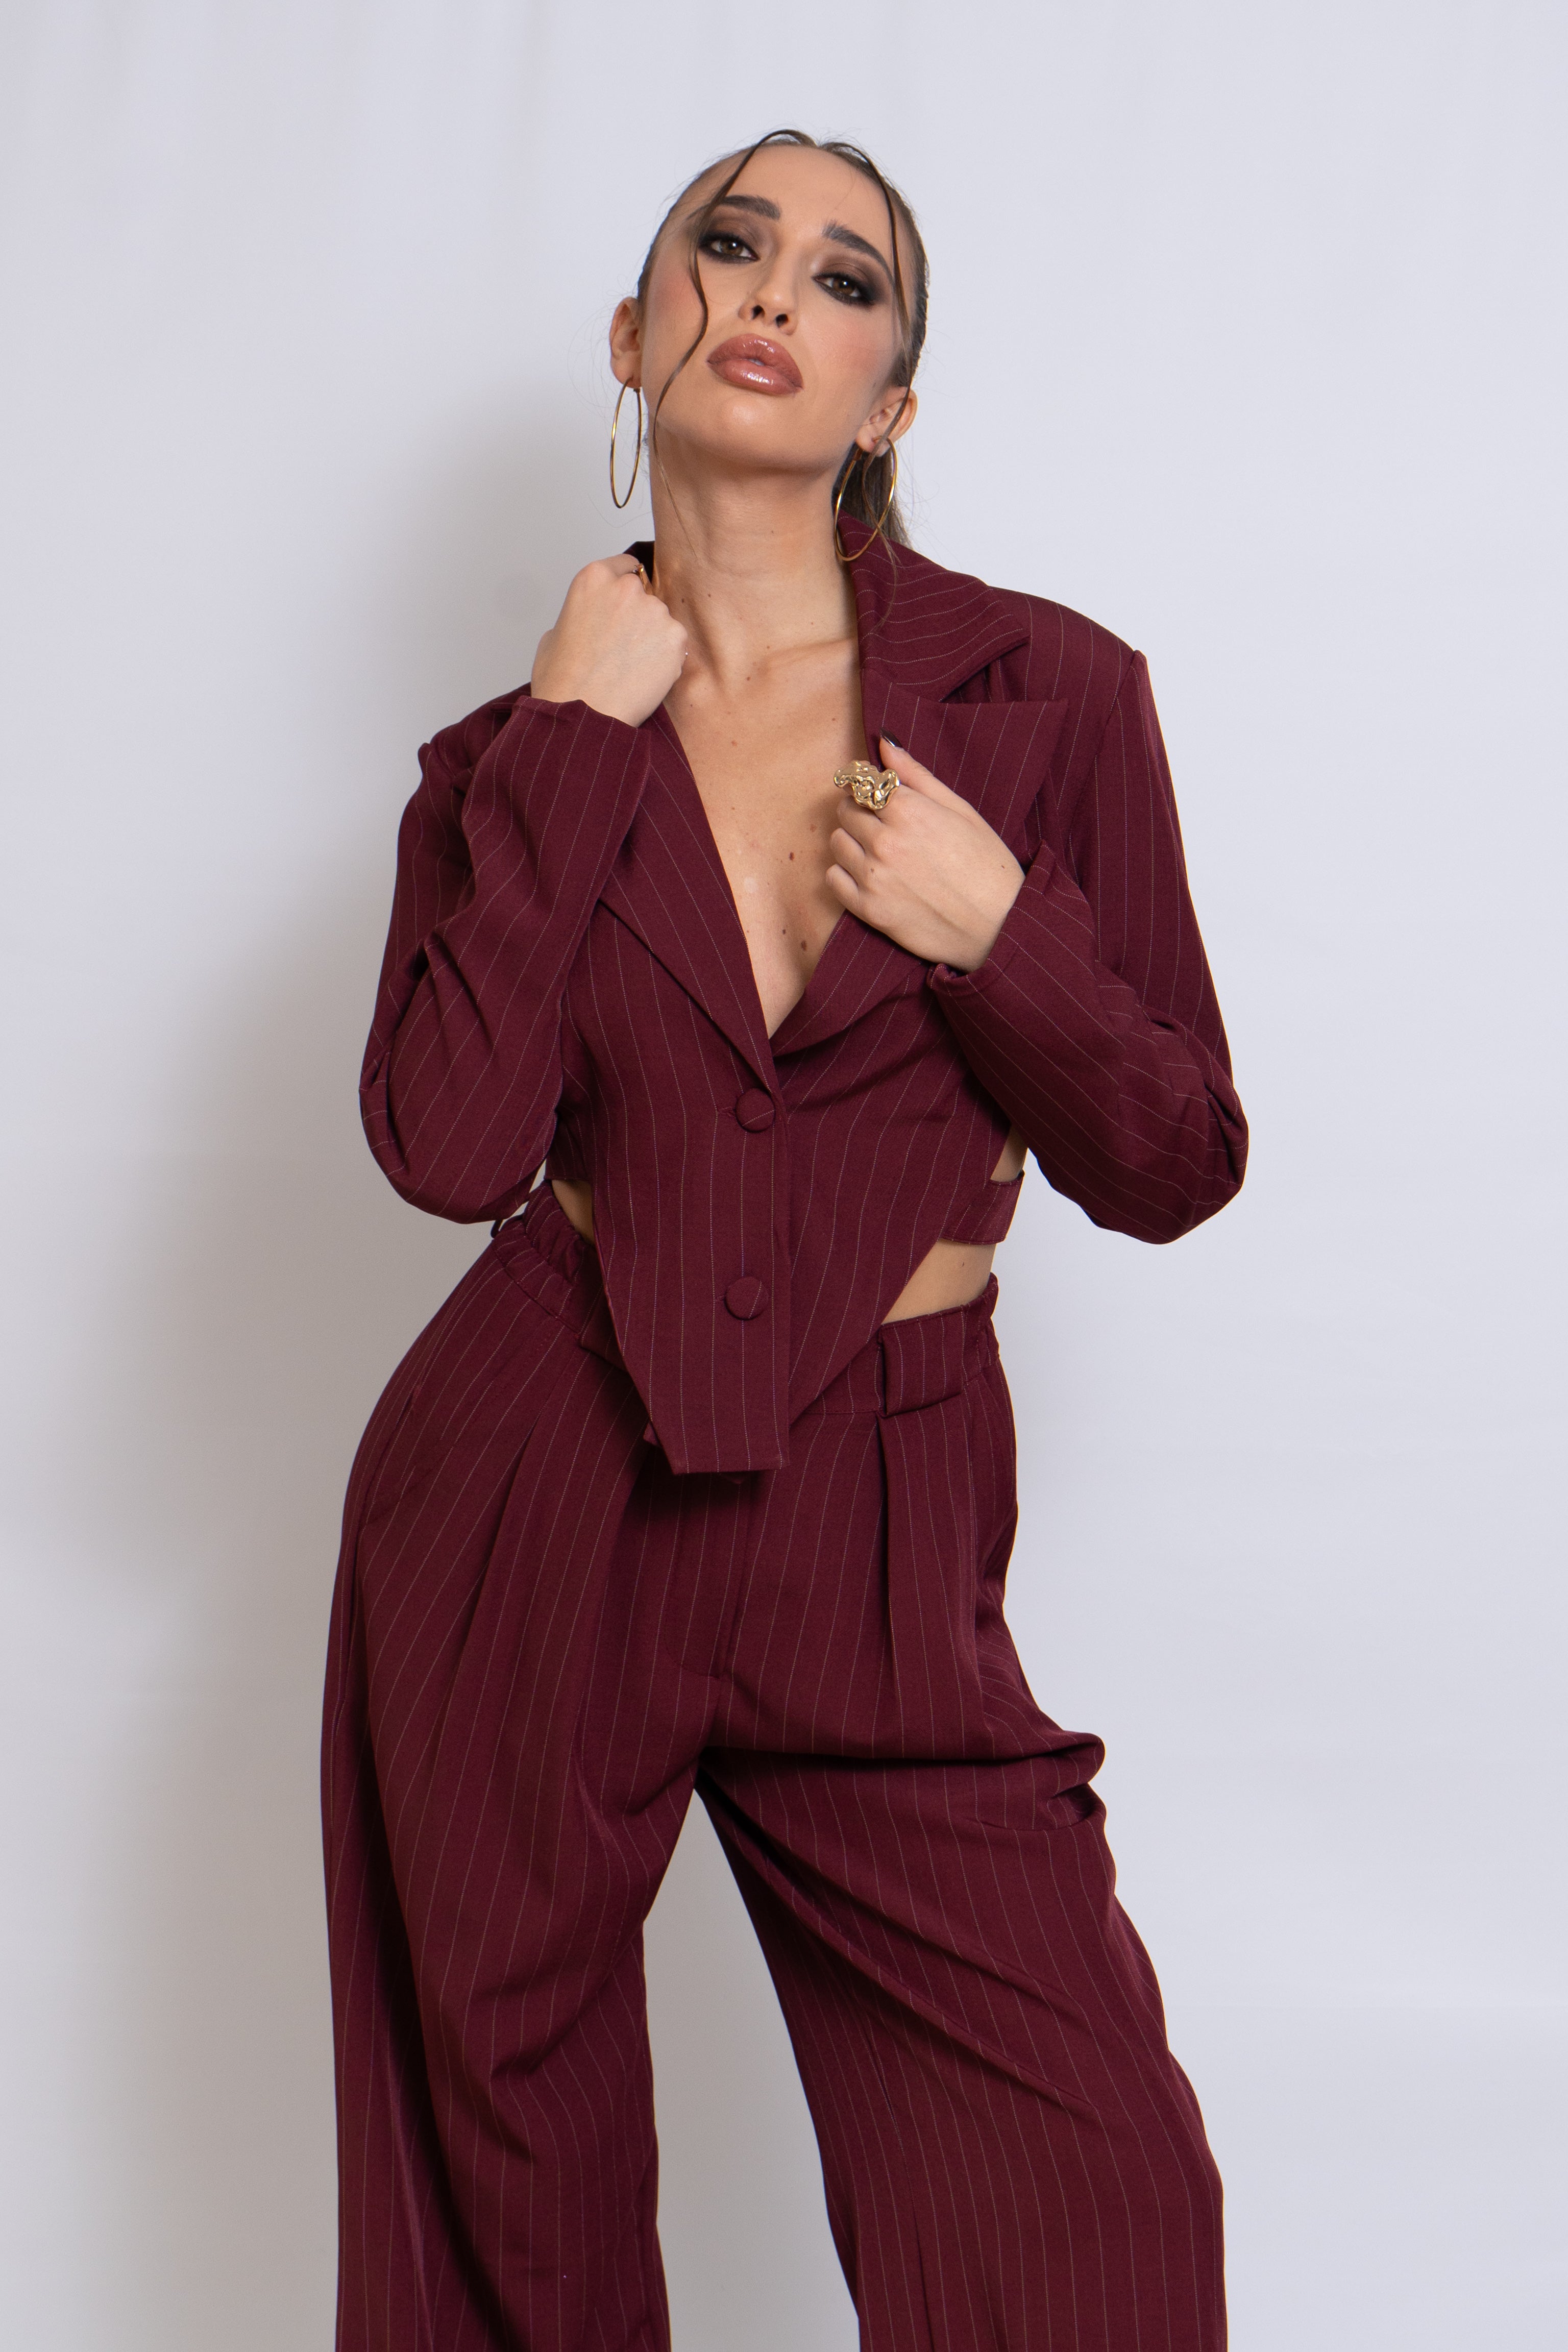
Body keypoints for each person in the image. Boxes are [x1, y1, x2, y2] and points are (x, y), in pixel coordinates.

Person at [322, 128, 1248, 2352]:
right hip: (543, 1474)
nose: (774, 291)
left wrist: (1000, 934)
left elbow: (1175, 1160)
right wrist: (571, 735)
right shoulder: (501, 756)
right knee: (507, 2220)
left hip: (886, 1511)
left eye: (846, 278)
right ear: (634, 338)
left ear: (891, 401)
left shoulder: (1048, 699)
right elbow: (447, 1150)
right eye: (727, 247)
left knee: (1088, 2206)